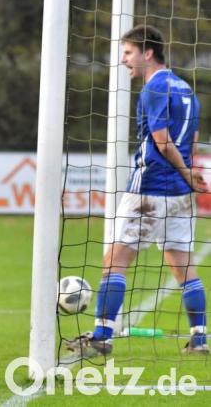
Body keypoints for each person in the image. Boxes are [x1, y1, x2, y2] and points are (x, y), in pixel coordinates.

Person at [67, 25, 208, 358]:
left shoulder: (154, 88)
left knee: (114, 262)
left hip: (149, 189)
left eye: (128, 52)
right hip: (179, 197)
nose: (123, 60)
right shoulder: (186, 89)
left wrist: (185, 173)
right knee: (184, 267)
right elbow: (194, 139)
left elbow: (162, 141)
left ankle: (101, 337)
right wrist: (189, 175)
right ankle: (199, 339)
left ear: (148, 52)